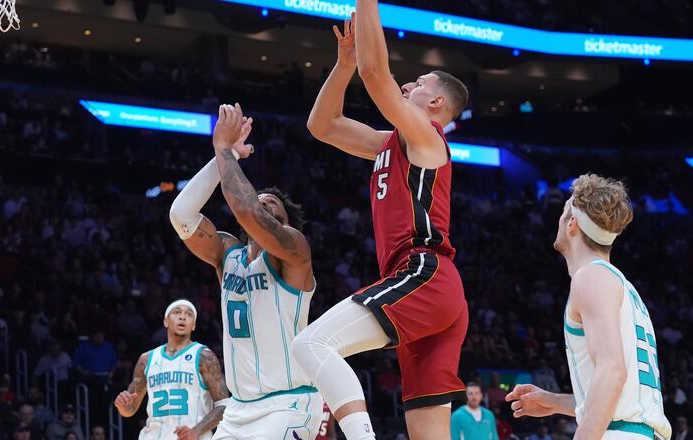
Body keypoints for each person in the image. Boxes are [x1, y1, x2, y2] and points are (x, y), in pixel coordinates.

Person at [297, 4, 470, 439]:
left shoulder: (428, 138)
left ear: (435, 103)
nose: (408, 83)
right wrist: (343, 66)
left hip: (423, 273)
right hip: (434, 291)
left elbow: (377, 75)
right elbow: (323, 125)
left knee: (310, 345)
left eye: (420, 82)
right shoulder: (387, 143)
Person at [169, 104, 322, 439]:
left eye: (272, 204)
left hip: (288, 403)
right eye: (261, 198)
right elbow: (181, 215)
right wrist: (225, 159)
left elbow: (247, 209)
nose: (264, 202)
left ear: (285, 222)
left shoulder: (294, 250)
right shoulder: (228, 254)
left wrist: (224, 149)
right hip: (239, 409)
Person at [506, 174, 672, 439]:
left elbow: (612, 371)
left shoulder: (591, 277)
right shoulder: (622, 286)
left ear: (572, 223)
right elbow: (620, 395)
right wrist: (553, 401)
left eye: (562, 214)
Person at [114, 300, 228, 440]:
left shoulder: (204, 356)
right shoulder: (146, 359)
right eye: (177, 312)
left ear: (193, 325)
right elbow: (129, 410)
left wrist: (196, 431)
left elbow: (224, 406)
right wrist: (122, 405)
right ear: (166, 322)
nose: (183, 317)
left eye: (189, 314)